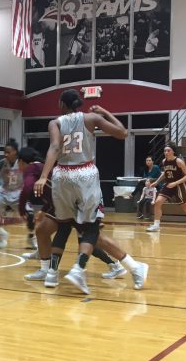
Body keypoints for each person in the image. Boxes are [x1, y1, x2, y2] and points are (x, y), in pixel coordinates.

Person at [34, 89, 149, 293]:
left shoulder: (55, 123)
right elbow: (122, 133)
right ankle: (71, 270)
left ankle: (60, 272)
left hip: (62, 175)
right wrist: (105, 111)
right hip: (84, 174)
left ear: (61, 104)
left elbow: (54, 147)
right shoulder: (91, 117)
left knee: (76, 228)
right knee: (88, 229)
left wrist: (44, 176)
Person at [17, 147, 132, 284]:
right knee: (44, 231)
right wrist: (44, 209)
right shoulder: (48, 168)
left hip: (75, 204)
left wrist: (21, 208)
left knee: (88, 239)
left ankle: (124, 265)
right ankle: (47, 266)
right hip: (67, 204)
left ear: (21, 161)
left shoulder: (33, 168)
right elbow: (53, 193)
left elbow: (28, 188)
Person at [145, 144, 186, 232]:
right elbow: (165, 173)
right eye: (165, 151)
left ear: (173, 151)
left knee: (185, 206)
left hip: (179, 185)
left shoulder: (179, 161)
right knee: (158, 202)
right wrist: (157, 182)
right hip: (168, 184)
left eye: (168, 150)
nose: (166, 152)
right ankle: (156, 225)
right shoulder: (164, 161)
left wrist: (175, 183)